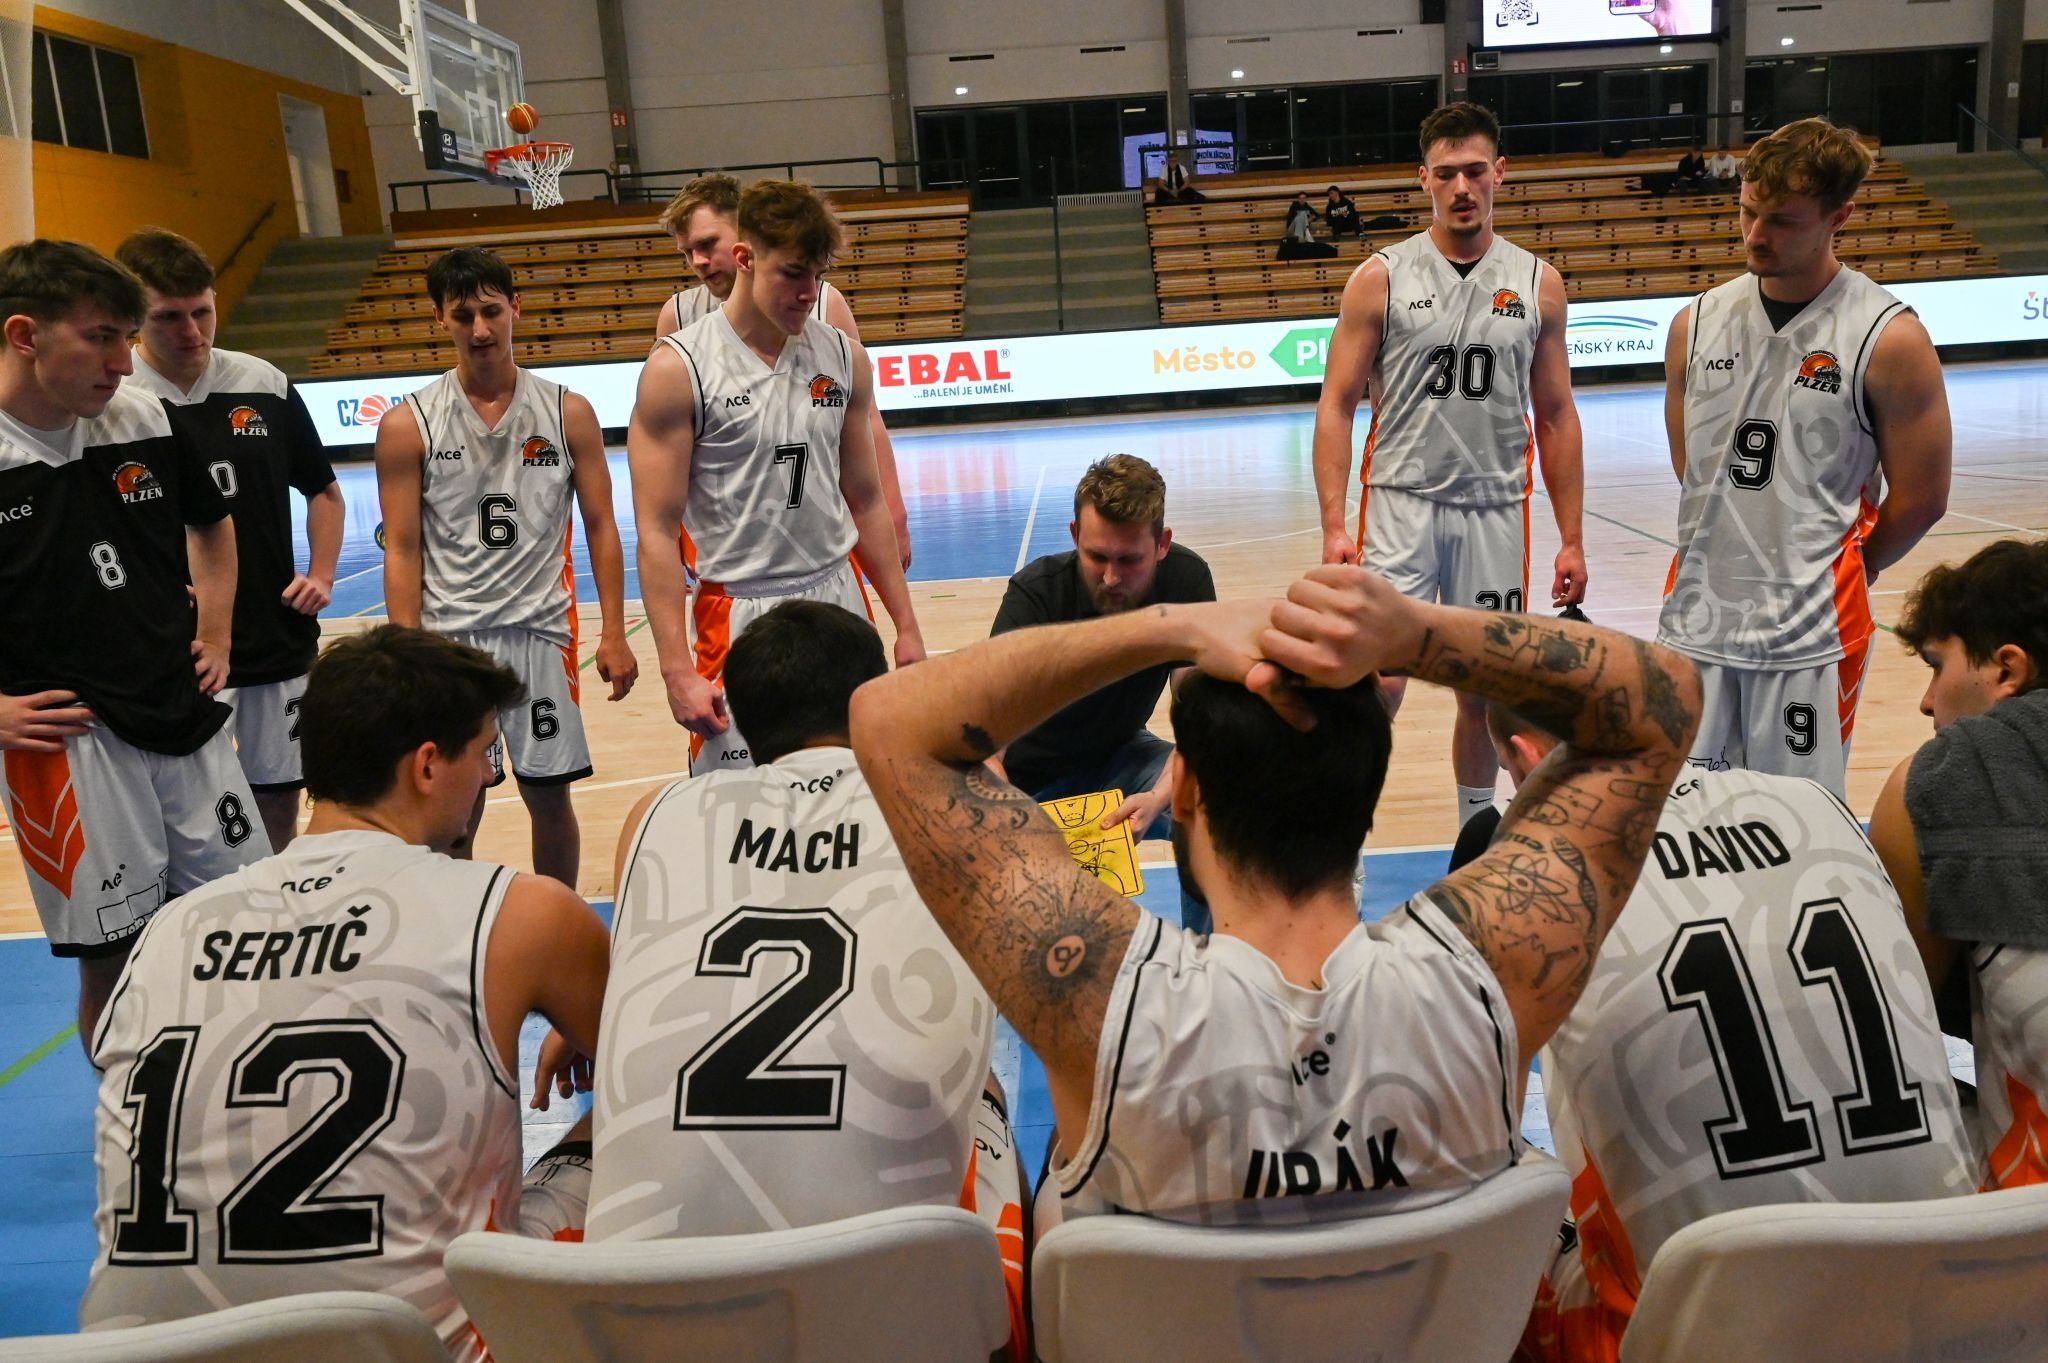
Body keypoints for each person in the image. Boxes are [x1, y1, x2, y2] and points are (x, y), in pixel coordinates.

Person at [852, 564, 1700, 1234]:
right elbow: (1665, 698)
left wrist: (1169, 629)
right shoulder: (1488, 978)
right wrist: (1413, 633)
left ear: (1183, 792)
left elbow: (889, 722)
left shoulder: (1103, 1002)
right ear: (1369, 793)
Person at [80, 625, 610, 1360]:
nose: (487, 778)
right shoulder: (523, 910)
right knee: (622, 1130)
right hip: (396, 1348)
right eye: (485, 753)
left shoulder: (171, 926)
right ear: (427, 765)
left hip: (139, 1352)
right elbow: (663, 1076)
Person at [573, 599, 1024, 1355]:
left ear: (743, 720)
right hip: (894, 1312)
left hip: (657, 1315)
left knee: (586, 1130)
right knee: (989, 1093)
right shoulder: (957, 803)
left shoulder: (656, 812)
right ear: (875, 700)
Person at [1464, 704, 1974, 1361]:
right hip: (1943, 1293)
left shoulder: (1515, 855)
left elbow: (1475, 1129)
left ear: (1525, 755)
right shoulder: (1815, 802)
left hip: (1699, 1332)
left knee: (1484, 1231)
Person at [0, 239, 264, 1044]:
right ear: (24, 335)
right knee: (115, 966)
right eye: (101, 337)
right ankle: (130, 1117)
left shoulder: (141, 417)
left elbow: (211, 525)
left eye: (127, 336)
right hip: (68, 744)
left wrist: (215, 631)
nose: (124, 361)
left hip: (185, 715)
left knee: (248, 932)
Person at [1312, 101, 1588, 830]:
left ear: (1500, 172)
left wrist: (1572, 538)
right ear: (1423, 179)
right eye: (1445, 174)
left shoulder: (1538, 282)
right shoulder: (1380, 278)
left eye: (1474, 170)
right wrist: (1334, 524)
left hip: (1494, 506)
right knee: (1376, 683)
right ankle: (1341, 836)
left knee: (1487, 692)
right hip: (1400, 503)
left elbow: (1556, 413)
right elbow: (1336, 405)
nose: (1461, 187)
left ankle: (1476, 834)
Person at [1657, 117, 1950, 798]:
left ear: (1838, 216)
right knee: (1690, 826)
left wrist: (1851, 566)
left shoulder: (1888, 337)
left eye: (1783, 220)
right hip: (1696, 620)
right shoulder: (1693, 325)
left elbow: (1923, 498)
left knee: (1799, 826)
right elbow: (1693, 472)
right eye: (1748, 212)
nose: (1756, 235)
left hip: (1810, 636)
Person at [629, 179, 924, 776]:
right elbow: (656, 530)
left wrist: (908, 628)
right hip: (737, 608)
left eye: (817, 274)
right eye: (792, 274)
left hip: (836, 597)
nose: (808, 292)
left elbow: (865, 499)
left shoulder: (842, 356)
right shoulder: (677, 368)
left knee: (860, 794)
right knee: (740, 811)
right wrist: (676, 669)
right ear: (745, 258)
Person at [374, 247, 638, 886]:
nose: (480, 329)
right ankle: (455, 920)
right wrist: (408, 652)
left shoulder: (567, 412)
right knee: (454, 809)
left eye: (491, 311)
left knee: (549, 796)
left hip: (540, 633)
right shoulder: (409, 424)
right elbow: (402, 547)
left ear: (516, 308)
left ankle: (556, 914)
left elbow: (602, 526)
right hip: (450, 639)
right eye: (463, 315)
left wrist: (612, 631)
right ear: (439, 317)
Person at [116, 227, 344, 852]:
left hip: (276, 636)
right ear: (134, 317)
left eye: (202, 312)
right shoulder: (117, 401)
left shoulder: (262, 383)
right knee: (194, 814)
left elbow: (324, 491)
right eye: (169, 317)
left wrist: (322, 574)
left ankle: (271, 901)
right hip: (180, 649)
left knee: (278, 796)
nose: (191, 331)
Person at [1868, 539, 2048, 1189]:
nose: (1925, 701)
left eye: (1936, 666)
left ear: (2007, 669)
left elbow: (1890, 1024)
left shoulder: (1932, 779)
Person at [651, 174, 910, 569]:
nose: (699, 261)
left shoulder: (823, 302)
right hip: (732, 538)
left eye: (707, 244)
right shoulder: (679, 315)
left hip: (819, 526)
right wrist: (669, 541)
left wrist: (893, 506)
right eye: (687, 252)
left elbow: (866, 416)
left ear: (744, 233)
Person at [988, 454, 1214, 848]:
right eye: (1097, 557)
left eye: (1129, 560)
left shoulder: (1185, 580)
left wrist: (1159, 797)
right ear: (1075, 536)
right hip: (1027, 783)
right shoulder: (1036, 595)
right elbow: (985, 743)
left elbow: (1202, 722)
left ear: (1162, 544)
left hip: (1123, 758)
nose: (1111, 578)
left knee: (1216, 794)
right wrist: (1009, 812)